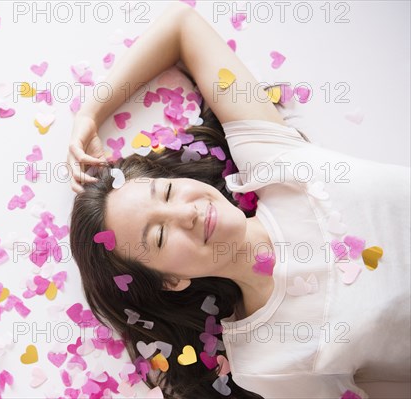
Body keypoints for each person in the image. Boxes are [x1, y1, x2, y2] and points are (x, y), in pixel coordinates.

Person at [67, 3, 411, 398]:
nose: (187, 213)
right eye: (159, 235)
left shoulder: (276, 166)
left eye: (165, 191)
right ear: (171, 281)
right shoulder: (267, 362)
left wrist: (90, 114)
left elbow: (183, 26)